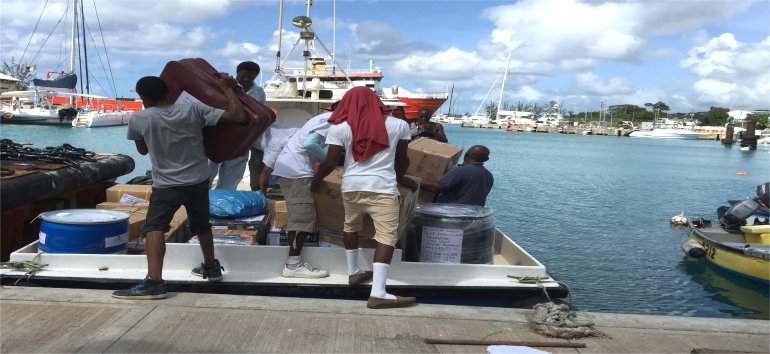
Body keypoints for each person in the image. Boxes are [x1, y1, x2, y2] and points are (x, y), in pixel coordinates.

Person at [113, 74, 248, 299]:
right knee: (202, 225)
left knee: (154, 227)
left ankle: (154, 282)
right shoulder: (194, 110)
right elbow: (238, 117)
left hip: (166, 184)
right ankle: (211, 267)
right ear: (168, 92)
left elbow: (143, 150)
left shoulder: (139, 119)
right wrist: (227, 89)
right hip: (197, 180)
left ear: (142, 97)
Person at [312, 86, 418, 309]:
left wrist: (316, 180)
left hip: (351, 186)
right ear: (376, 101)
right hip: (383, 187)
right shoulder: (399, 125)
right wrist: (402, 178)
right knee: (386, 237)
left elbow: (330, 162)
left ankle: (353, 271)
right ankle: (378, 293)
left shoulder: (340, 127)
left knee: (350, 227)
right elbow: (401, 161)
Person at [270, 109, 336, 278]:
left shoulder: (323, 118)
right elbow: (310, 143)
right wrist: (330, 161)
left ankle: (294, 262)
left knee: (301, 216)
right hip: (297, 171)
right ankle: (292, 265)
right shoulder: (332, 120)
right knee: (302, 218)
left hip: (292, 169)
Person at [208, 61, 267, 190]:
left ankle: (223, 201)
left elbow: (260, 113)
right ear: (237, 73)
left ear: (256, 76)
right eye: (243, 76)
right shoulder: (222, 86)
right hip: (216, 134)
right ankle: (200, 200)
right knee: (207, 170)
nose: (246, 79)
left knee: (232, 174)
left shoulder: (260, 92)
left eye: (250, 77)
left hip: (242, 138)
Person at [420, 145, 493, 206]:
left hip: (452, 214)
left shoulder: (460, 170)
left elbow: (436, 187)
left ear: (467, 154)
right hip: (473, 216)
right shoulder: (489, 176)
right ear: (486, 159)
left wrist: (416, 181)